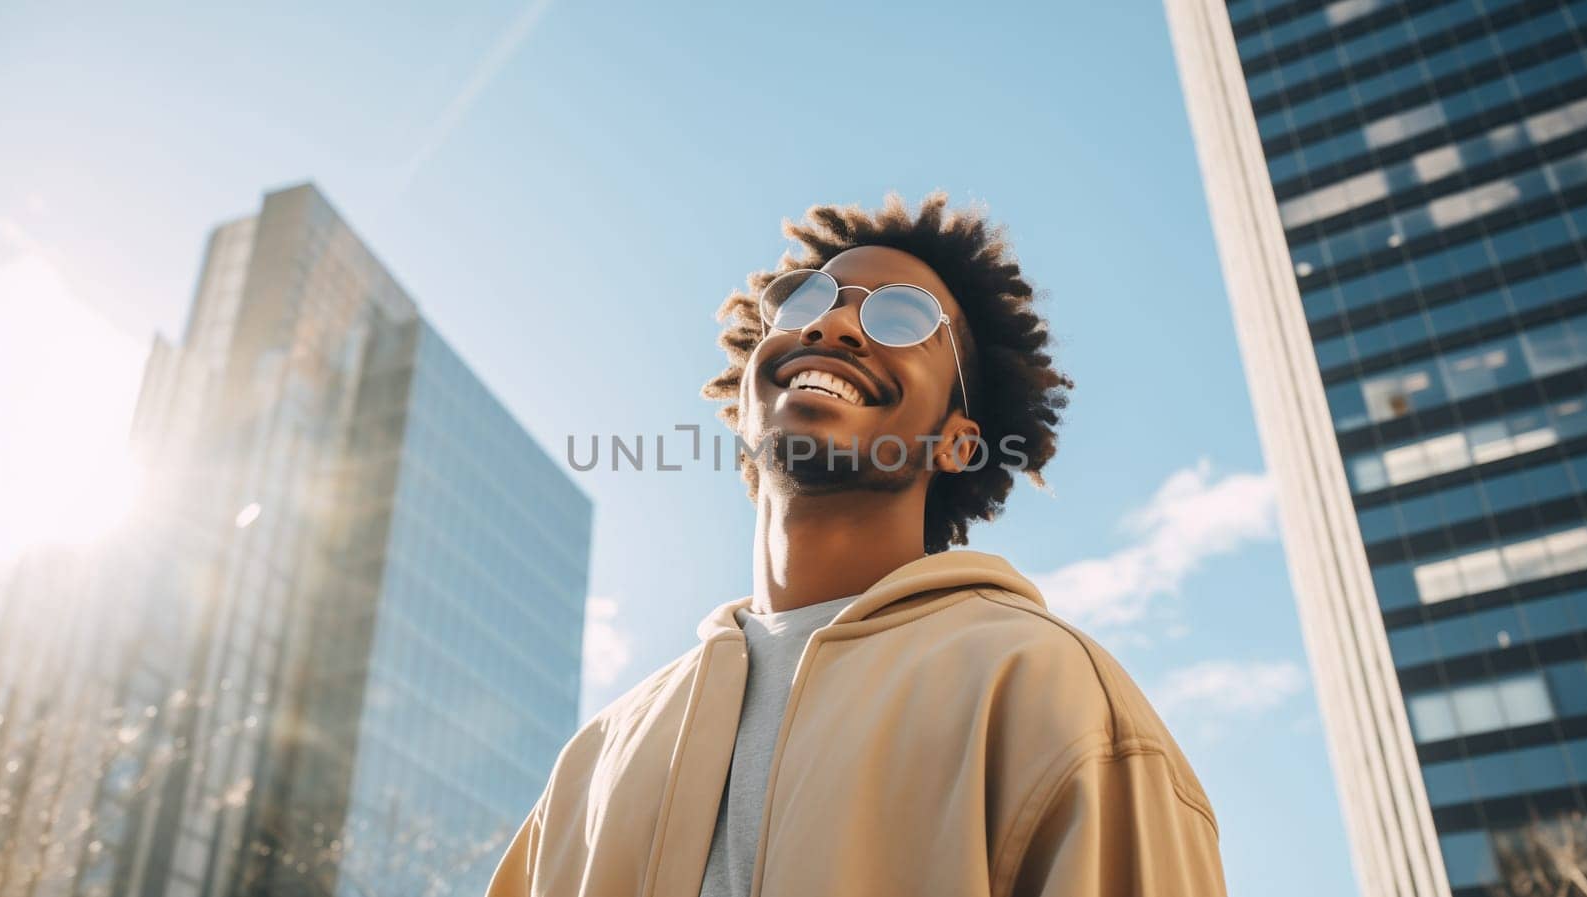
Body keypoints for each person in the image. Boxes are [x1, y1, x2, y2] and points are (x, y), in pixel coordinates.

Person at [486, 192, 1228, 897]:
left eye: (904, 319)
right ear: (743, 401)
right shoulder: (590, 763)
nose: (833, 328)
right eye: (806, 301)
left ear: (958, 443)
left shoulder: (1044, 687)